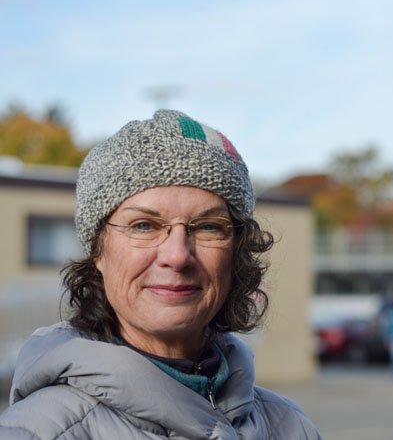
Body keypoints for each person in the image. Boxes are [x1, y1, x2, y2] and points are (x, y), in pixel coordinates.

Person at [0, 110, 321, 439]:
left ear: (236, 251)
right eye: (143, 226)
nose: (178, 255)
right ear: (98, 250)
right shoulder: (39, 431)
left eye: (209, 227)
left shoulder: (291, 427)